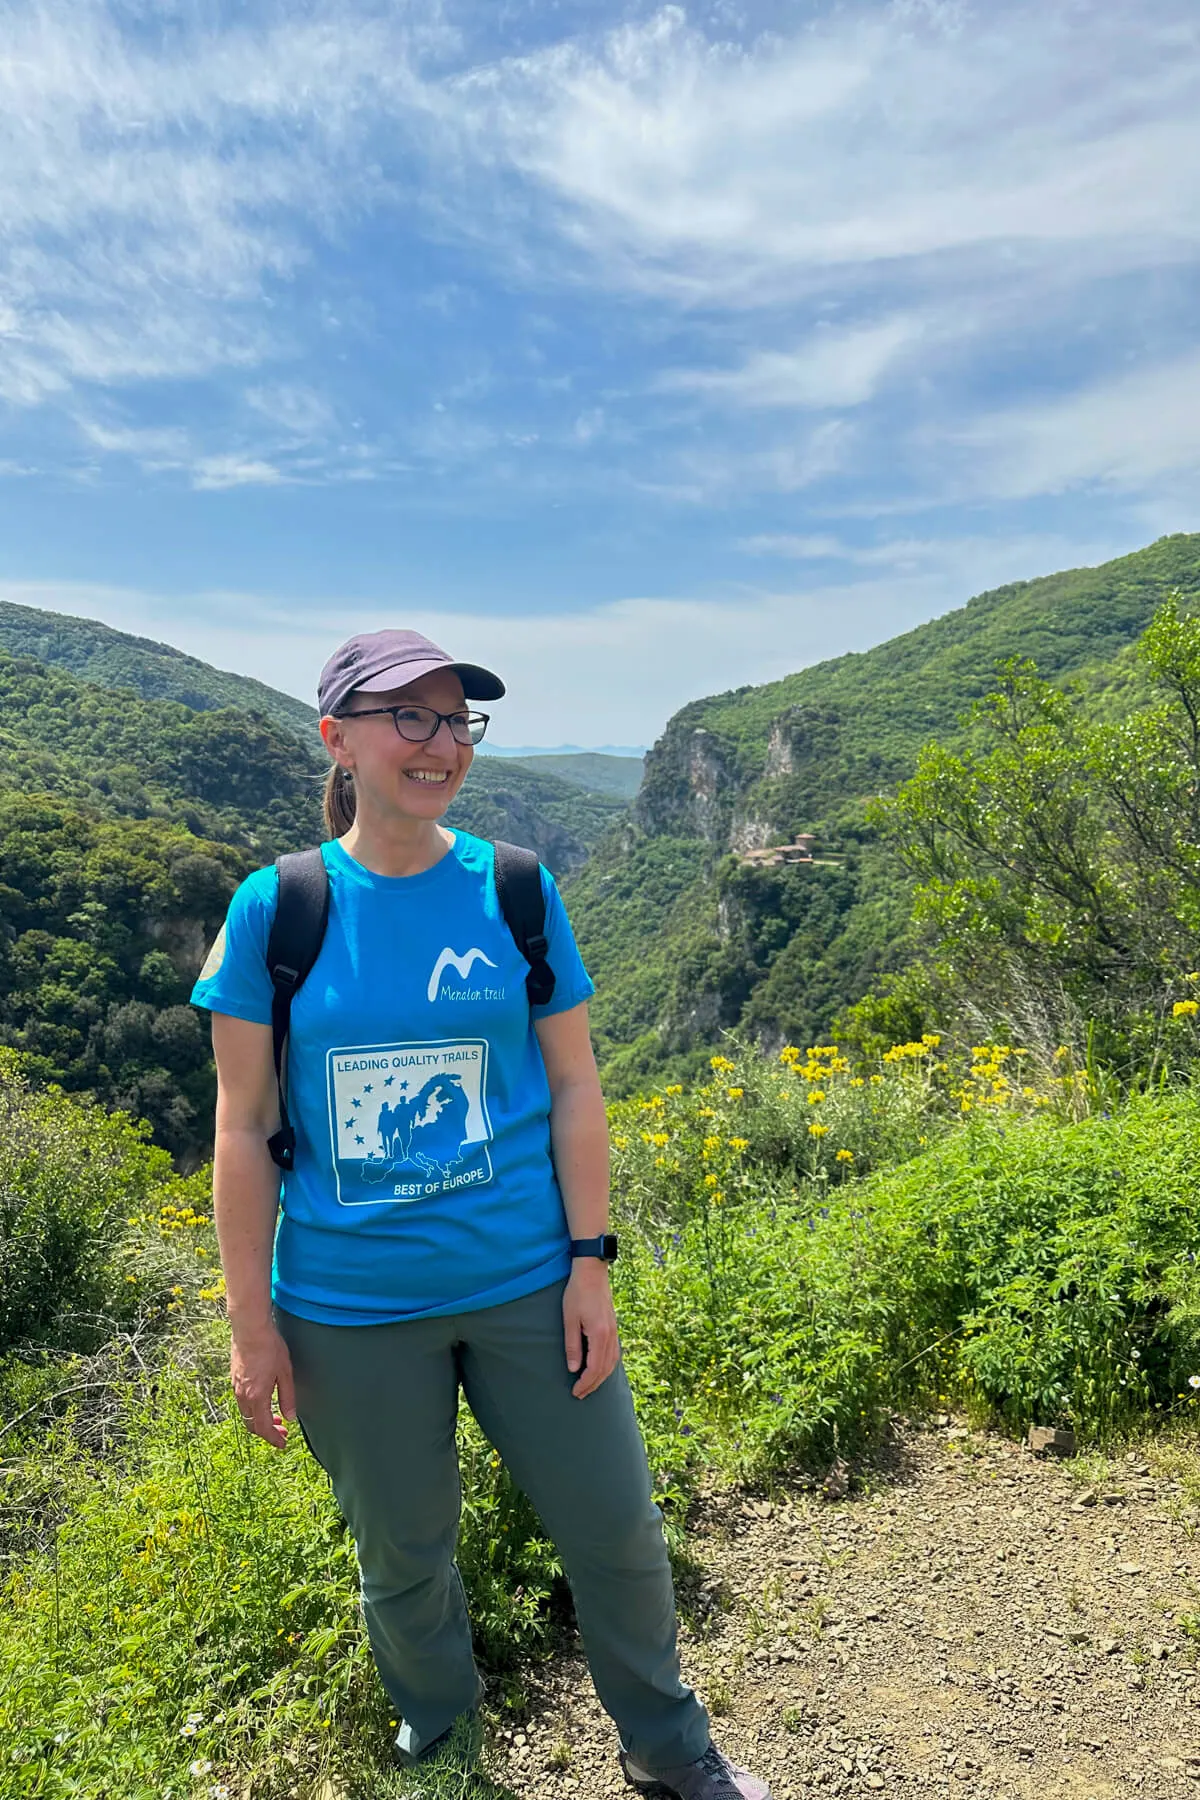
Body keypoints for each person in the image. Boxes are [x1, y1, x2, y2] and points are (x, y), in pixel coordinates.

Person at [191, 627, 771, 1800]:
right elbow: (242, 1130)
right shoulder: (279, 909)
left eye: (457, 720)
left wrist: (591, 1264)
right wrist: (252, 1330)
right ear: (337, 740)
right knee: (403, 1556)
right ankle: (443, 1745)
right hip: (351, 1311)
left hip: (525, 1284)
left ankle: (671, 1753)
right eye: (408, 716)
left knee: (614, 1528)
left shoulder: (513, 887)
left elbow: (573, 1084)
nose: (439, 743)